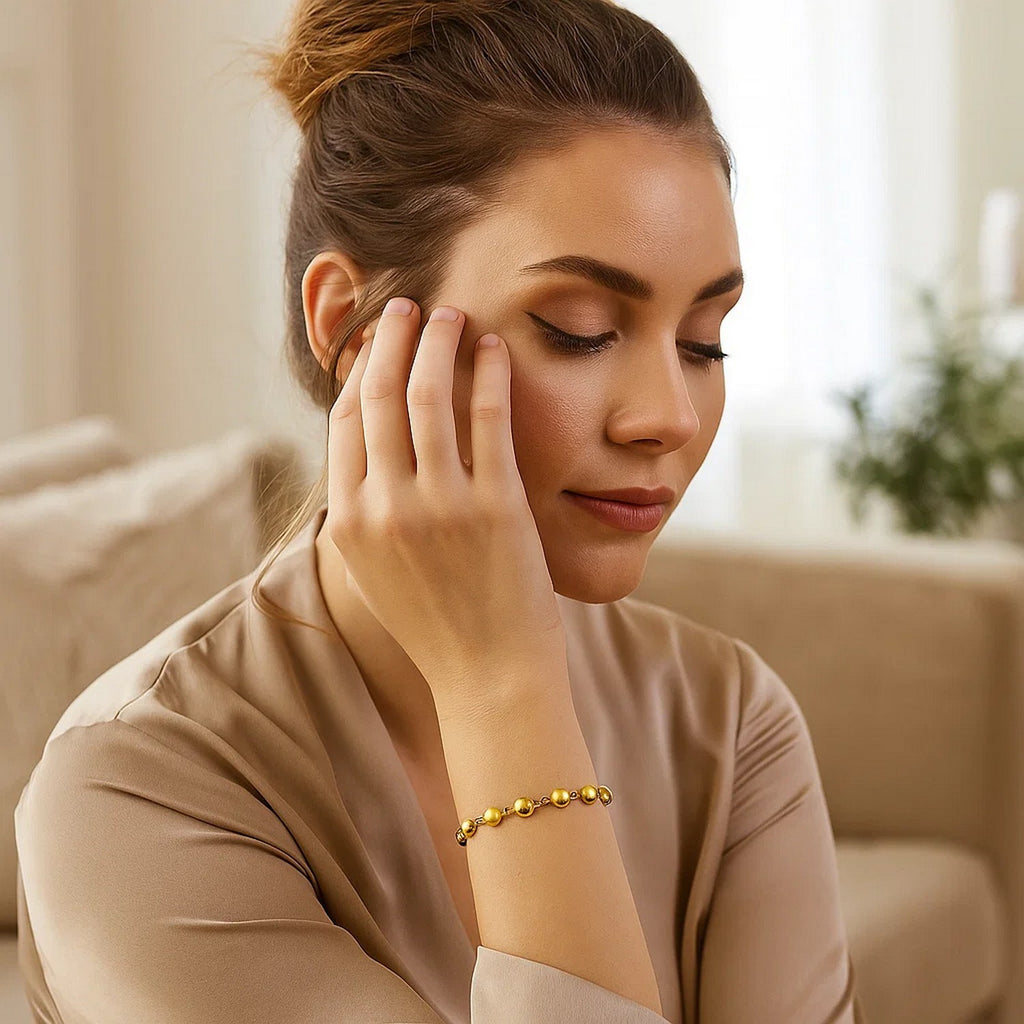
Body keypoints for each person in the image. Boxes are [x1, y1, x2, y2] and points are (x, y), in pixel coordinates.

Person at [14, 1, 866, 1021]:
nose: (671, 417)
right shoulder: (130, 791)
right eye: (579, 329)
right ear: (351, 327)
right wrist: (498, 677)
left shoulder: (729, 722)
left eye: (703, 340)